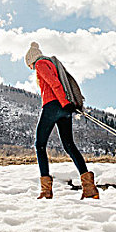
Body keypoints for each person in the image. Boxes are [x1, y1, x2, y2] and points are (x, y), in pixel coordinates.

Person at [25, 42, 99, 200]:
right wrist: (67, 105)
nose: (31, 68)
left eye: (29, 65)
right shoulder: (53, 64)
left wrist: (63, 103)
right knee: (69, 145)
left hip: (53, 106)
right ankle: (89, 188)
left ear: (31, 60)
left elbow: (54, 83)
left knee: (40, 145)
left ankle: (46, 191)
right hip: (64, 109)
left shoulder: (40, 63)